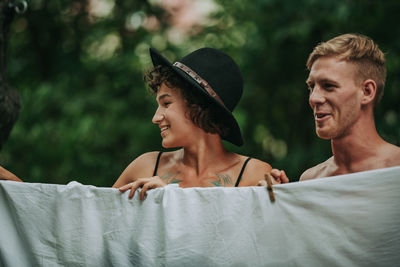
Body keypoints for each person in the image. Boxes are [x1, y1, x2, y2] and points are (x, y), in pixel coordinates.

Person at [113, 47, 287, 200]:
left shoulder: (253, 175)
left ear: (198, 105)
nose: (156, 117)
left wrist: (278, 204)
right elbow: (99, 220)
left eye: (166, 103)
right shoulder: (145, 167)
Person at [272, 33, 400, 182]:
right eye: (311, 87)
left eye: (329, 86)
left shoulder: (396, 167)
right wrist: (282, 202)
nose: (314, 98)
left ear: (367, 92)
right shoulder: (310, 180)